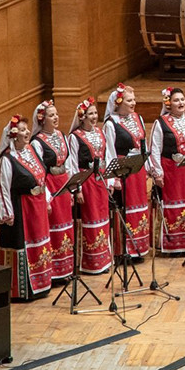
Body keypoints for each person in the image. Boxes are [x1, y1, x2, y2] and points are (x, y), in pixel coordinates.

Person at [0, 116, 55, 300]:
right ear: (13, 136)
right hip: (21, 211)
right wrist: (6, 214)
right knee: (23, 245)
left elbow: (42, 178)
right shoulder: (7, 159)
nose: (27, 132)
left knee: (39, 243)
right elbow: (2, 187)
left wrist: (47, 199)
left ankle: (42, 284)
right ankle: (23, 290)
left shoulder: (31, 151)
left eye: (27, 129)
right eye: (22, 130)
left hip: (37, 208)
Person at [148, 87, 185, 253]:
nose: (180, 103)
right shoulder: (160, 123)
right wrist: (158, 173)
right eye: (176, 100)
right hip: (170, 172)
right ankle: (172, 245)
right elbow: (155, 149)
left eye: (182, 99)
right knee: (171, 206)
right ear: (169, 104)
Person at [103, 83, 152, 257]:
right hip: (123, 172)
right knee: (126, 207)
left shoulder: (138, 118)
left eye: (134, 100)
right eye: (129, 101)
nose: (133, 103)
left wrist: (148, 167)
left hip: (138, 170)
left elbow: (144, 145)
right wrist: (113, 179)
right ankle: (124, 250)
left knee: (140, 206)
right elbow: (109, 152)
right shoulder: (111, 124)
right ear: (118, 103)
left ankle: (140, 248)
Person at [31, 100, 77, 281]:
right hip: (50, 185)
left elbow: (68, 162)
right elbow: (39, 171)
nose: (56, 117)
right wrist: (47, 198)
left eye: (56, 114)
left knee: (66, 224)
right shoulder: (37, 142)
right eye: (51, 115)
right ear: (42, 120)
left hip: (63, 184)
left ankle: (67, 269)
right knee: (54, 225)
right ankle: (55, 272)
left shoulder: (61, 135)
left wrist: (72, 188)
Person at [67, 98, 112, 274]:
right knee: (91, 219)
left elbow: (107, 156)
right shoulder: (74, 137)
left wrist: (109, 180)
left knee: (103, 218)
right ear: (82, 117)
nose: (94, 117)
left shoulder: (100, 132)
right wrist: (77, 189)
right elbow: (72, 164)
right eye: (90, 114)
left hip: (101, 181)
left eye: (95, 113)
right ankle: (91, 263)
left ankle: (104, 260)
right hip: (87, 182)